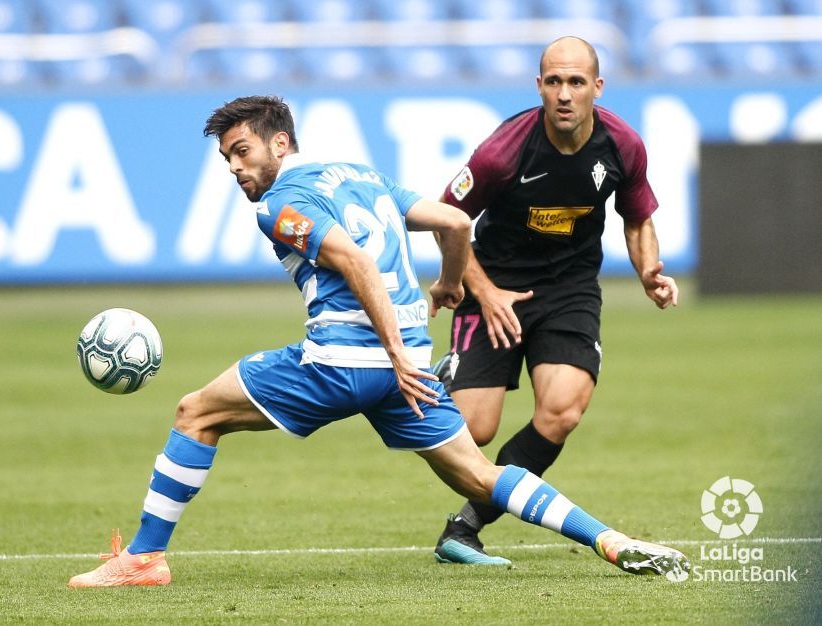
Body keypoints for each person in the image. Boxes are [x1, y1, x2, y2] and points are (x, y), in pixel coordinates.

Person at [68, 95, 689, 588]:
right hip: (409, 362)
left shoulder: (282, 201)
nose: (234, 167)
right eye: (227, 158)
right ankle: (610, 539)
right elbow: (452, 220)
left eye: (241, 151)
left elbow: (357, 264)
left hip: (346, 359)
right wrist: (447, 287)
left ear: (280, 142)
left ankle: (145, 558)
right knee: (478, 476)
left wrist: (389, 347)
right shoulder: (361, 175)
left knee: (195, 413)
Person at [432, 36, 681, 566]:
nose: (564, 94)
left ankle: (466, 525)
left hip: (569, 289)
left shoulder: (623, 145)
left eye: (575, 82)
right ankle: (447, 374)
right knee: (474, 430)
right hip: (494, 289)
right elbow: (447, 219)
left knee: (561, 410)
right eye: (553, 82)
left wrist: (648, 271)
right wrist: (484, 290)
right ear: (539, 86)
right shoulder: (503, 152)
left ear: (597, 86)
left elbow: (636, 218)